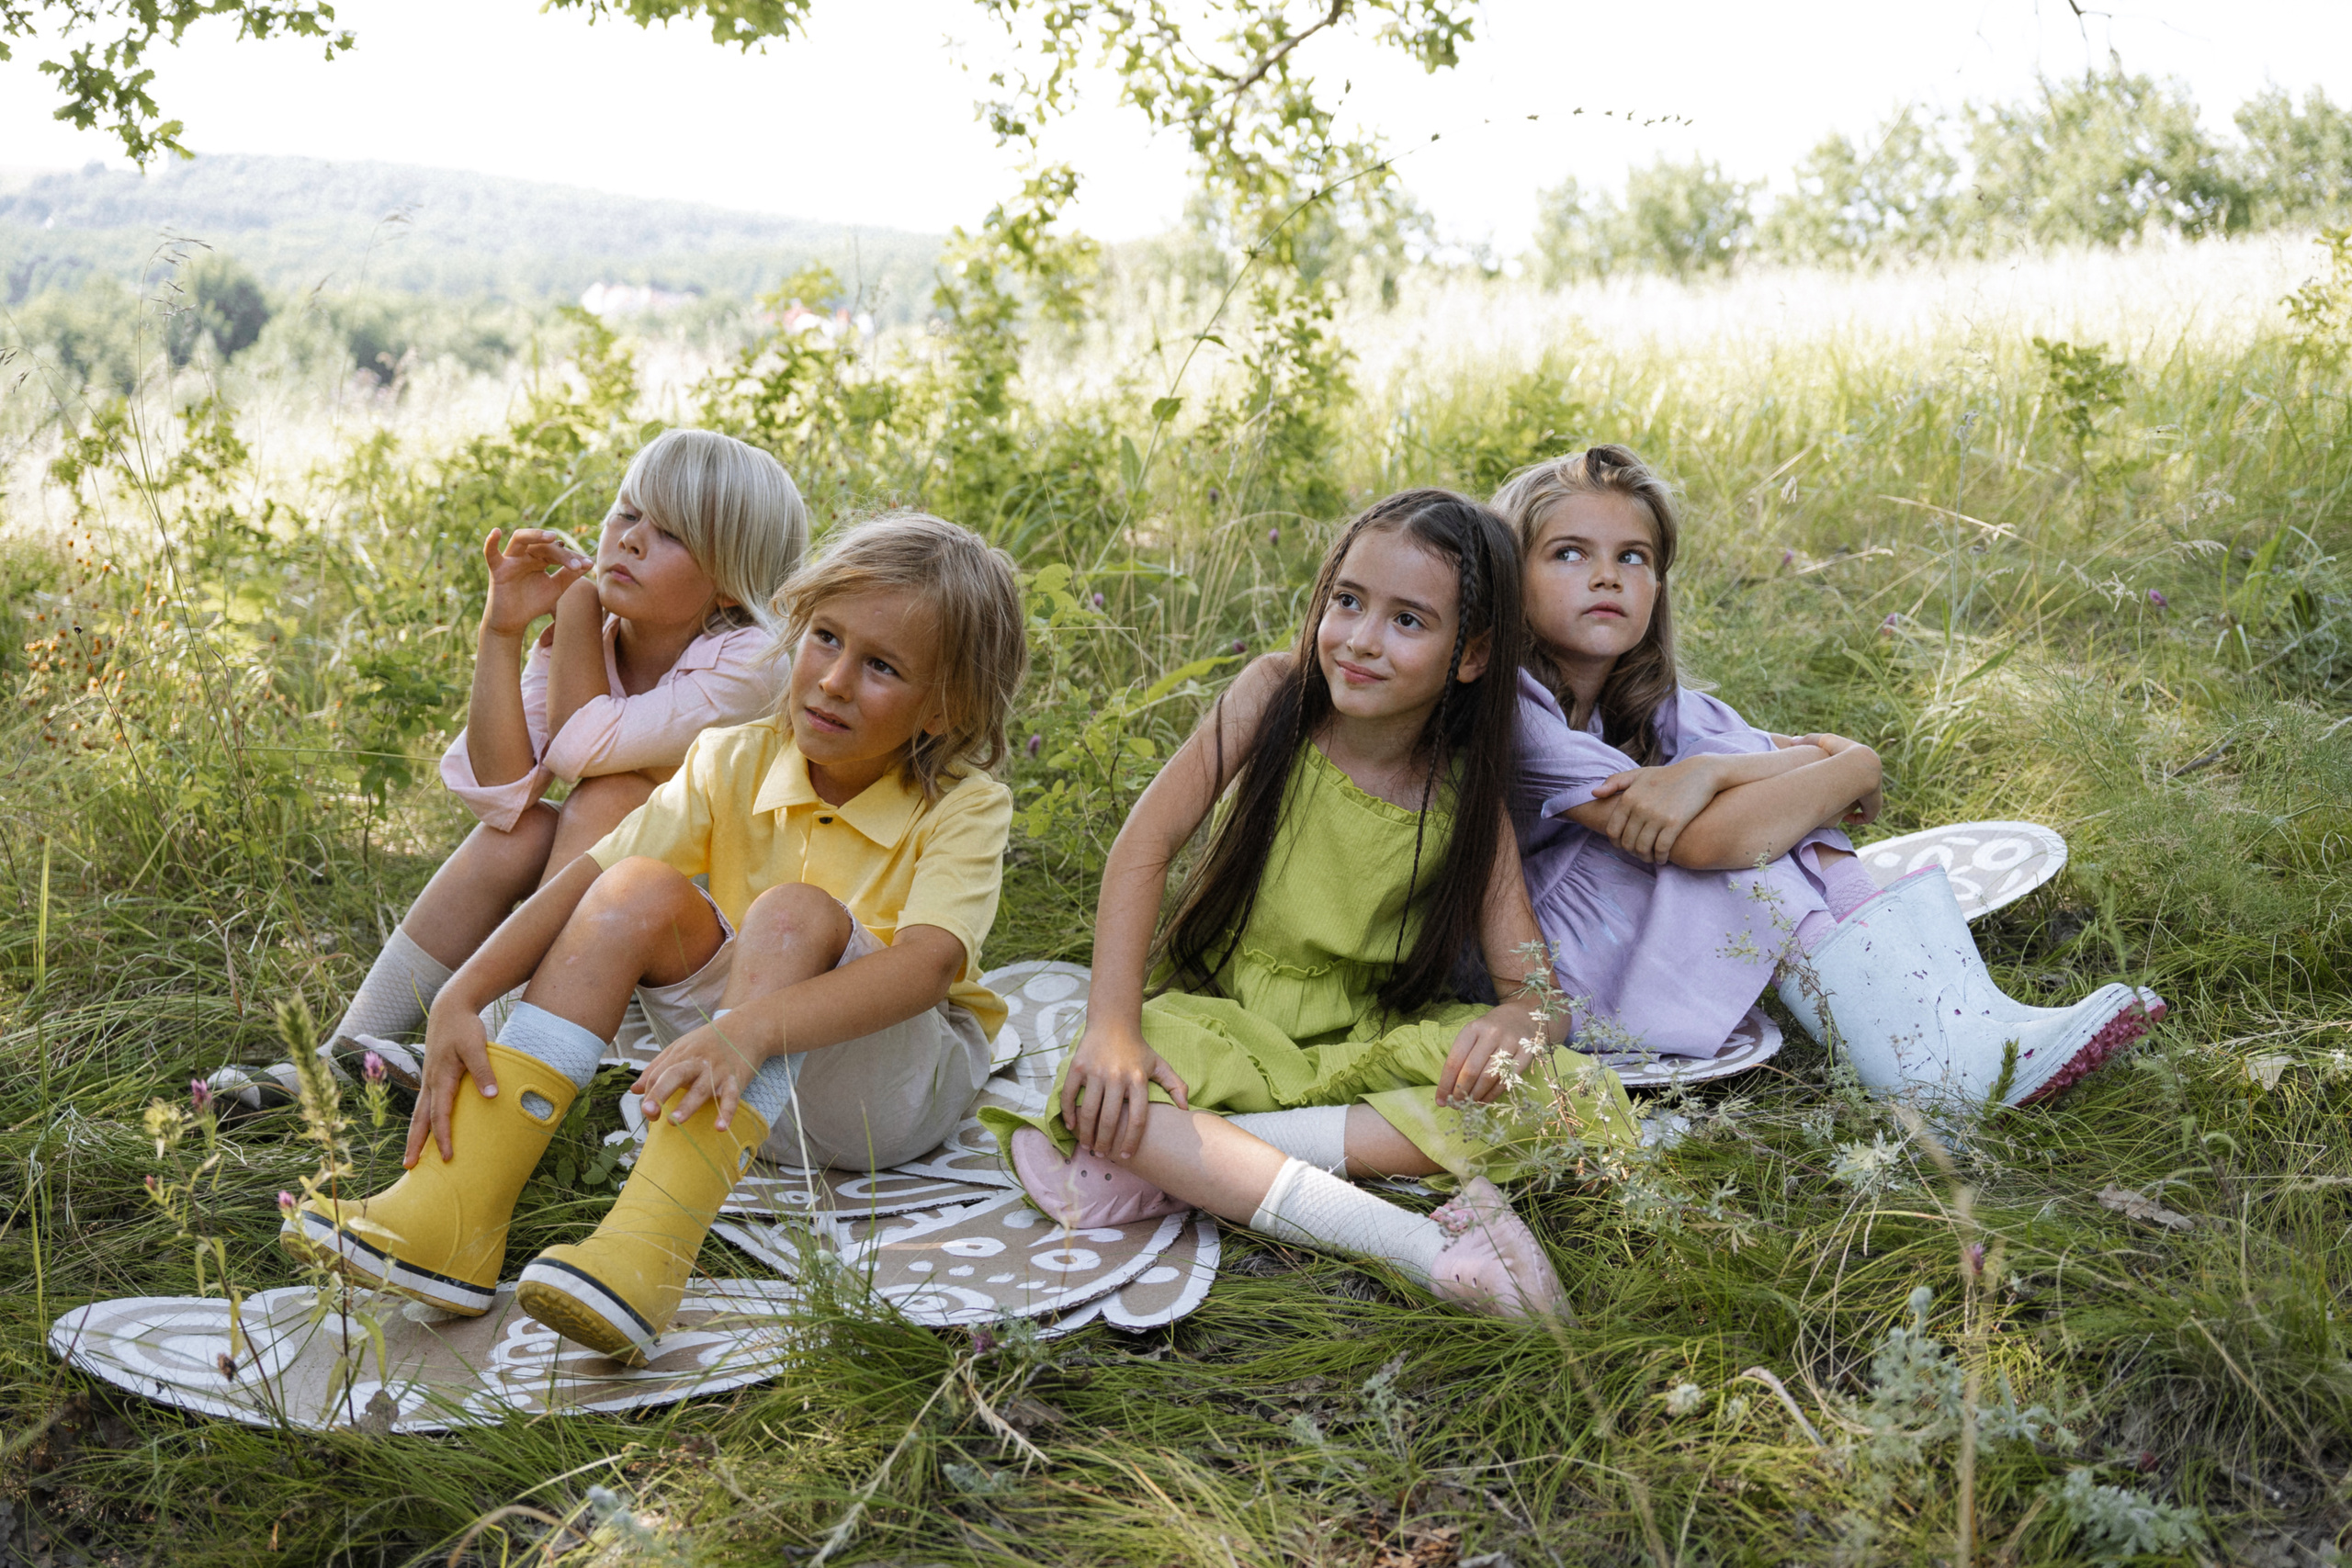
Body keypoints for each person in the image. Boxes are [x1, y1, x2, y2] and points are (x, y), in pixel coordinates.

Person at [283, 513, 1028, 1364]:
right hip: (738, 1081)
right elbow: (584, 878)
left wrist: (746, 1028)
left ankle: (650, 1247)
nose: (832, 680)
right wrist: (465, 992)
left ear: (946, 706)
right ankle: (453, 1215)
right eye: (824, 638)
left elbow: (930, 965)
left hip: (883, 1094)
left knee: (791, 911)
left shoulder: (968, 805)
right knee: (632, 884)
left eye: (882, 667)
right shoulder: (731, 758)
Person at [987, 490, 1639, 1323]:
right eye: (1348, 602)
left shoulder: (1462, 787)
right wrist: (1112, 1027)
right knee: (1119, 1105)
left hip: (1363, 1039)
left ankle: (1191, 1165)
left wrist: (1521, 1020)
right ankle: (1434, 1255)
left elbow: (1538, 993)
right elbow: (1141, 849)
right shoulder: (1273, 696)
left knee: (1564, 1100)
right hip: (1227, 1021)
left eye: (1409, 621)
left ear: (1471, 655)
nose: (1362, 640)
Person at [1496, 445, 2163, 1110]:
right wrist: (1844, 768)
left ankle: (1981, 1023)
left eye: (1632, 556)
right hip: (1548, 976)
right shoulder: (1515, 715)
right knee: (1758, 837)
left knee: (1778, 811)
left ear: (1658, 586)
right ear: (1513, 580)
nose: (1607, 576)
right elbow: (1713, 842)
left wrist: (1724, 768)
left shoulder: (1657, 705)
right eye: (1569, 553)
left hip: (1609, 942)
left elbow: (1820, 764)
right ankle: (1931, 1070)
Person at [215, 427, 807, 1112]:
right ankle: (341, 1056)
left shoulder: (753, 659)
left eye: (671, 534)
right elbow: (500, 795)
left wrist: (577, 603)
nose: (632, 539)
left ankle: (492, 1044)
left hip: (715, 959)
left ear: (732, 583)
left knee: (611, 795)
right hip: (600, 936)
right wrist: (501, 631)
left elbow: (581, 751)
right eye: (628, 512)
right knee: (523, 833)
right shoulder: (595, 642)